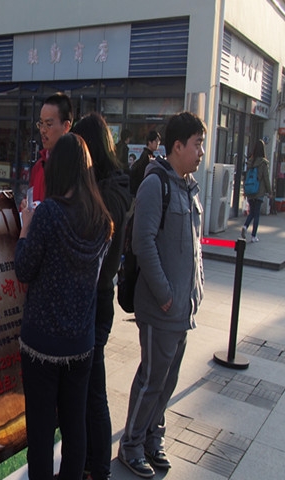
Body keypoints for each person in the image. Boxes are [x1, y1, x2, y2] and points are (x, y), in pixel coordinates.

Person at [15, 133, 113, 480]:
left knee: (41, 433)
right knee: (75, 428)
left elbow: (24, 269)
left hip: (41, 342)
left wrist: (25, 229)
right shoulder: (100, 218)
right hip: (81, 342)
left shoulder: (49, 214)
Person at [118, 112, 206, 478]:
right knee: (152, 379)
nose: (201, 152)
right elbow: (144, 243)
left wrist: (196, 289)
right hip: (161, 307)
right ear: (178, 146)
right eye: (197, 144)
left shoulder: (187, 185)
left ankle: (153, 437)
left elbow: (194, 246)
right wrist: (165, 294)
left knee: (168, 381)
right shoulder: (156, 185)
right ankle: (131, 445)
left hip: (182, 308)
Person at [72, 113, 131, 480]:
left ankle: (97, 468)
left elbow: (89, 248)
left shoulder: (105, 194)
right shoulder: (114, 187)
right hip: (99, 295)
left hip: (94, 299)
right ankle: (91, 465)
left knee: (93, 390)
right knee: (90, 389)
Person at [29, 92, 73, 202]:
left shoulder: (74, 168)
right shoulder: (38, 166)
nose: (43, 130)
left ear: (66, 126)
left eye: (49, 124)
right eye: (41, 123)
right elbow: (30, 200)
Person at [241, 139, 272, 243]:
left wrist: (245, 190)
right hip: (259, 191)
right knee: (256, 214)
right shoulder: (263, 163)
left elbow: (246, 176)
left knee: (252, 212)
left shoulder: (250, 162)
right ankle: (253, 236)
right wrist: (269, 191)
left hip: (250, 190)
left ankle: (245, 226)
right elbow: (266, 178)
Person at [129, 130, 161, 195]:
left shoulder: (148, 155)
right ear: (150, 142)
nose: (158, 143)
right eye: (156, 141)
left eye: (159, 141)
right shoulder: (146, 156)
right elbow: (142, 174)